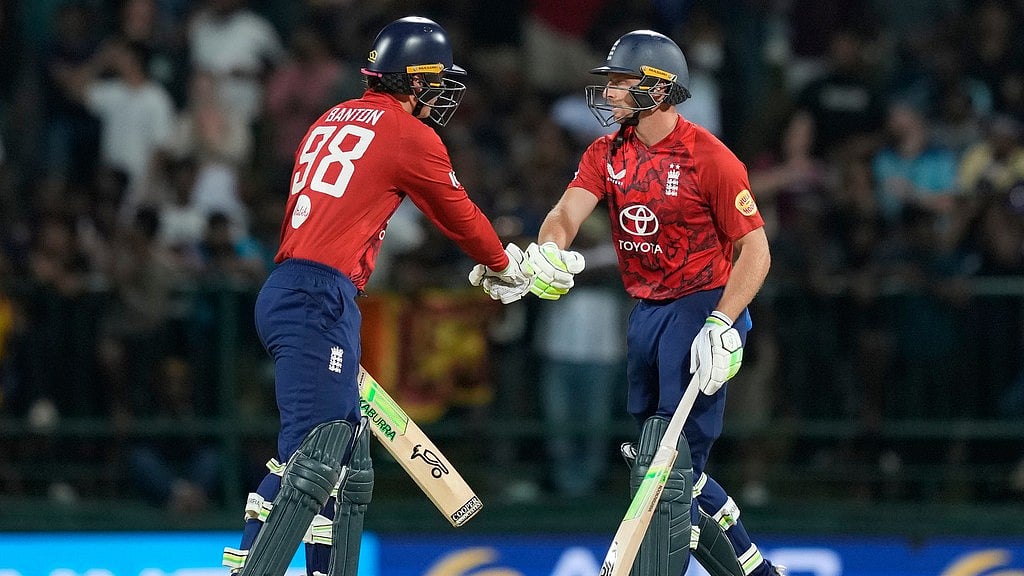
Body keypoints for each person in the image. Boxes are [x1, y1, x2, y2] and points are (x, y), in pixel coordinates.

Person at [221, 16, 530, 576]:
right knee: (312, 454)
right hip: (319, 294)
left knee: (337, 455)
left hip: (293, 287)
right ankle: (249, 564)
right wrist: (504, 264)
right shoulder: (407, 133)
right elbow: (457, 214)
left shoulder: (330, 116)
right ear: (412, 81)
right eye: (436, 83)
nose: (441, 96)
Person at [515, 29, 781, 576]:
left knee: (667, 466)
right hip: (646, 311)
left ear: (659, 90)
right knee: (665, 465)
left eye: (620, 81)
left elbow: (756, 249)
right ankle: (755, 570)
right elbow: (565, 215)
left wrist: (724, 323)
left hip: (701, 304)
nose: (609, 92)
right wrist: (548, 251)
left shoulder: (711, 158)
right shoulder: (604, 152)